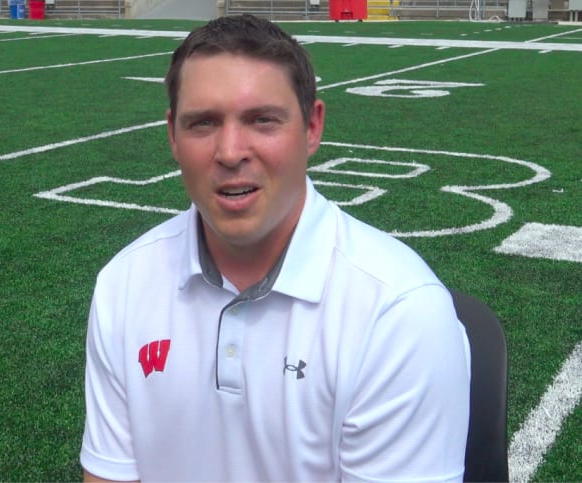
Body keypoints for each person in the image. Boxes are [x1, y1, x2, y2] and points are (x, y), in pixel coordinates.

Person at [80, 14, 470, 482]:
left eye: (262, 120)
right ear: (172, 137)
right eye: (202, 123)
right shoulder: (123, 283)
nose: (229, 151)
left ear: (311, 127)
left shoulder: (399, 311)